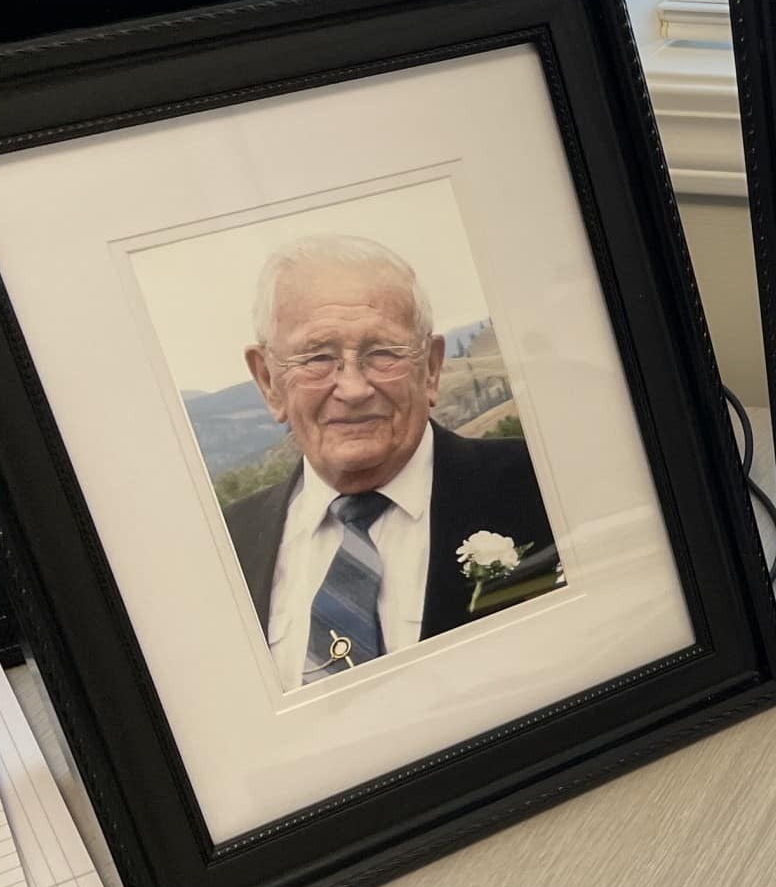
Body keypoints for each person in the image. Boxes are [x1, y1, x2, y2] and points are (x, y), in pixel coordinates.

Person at [223, 232, 555, 688]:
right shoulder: (227, 551)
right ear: (267, 382)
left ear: (432, 369)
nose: (354, 389)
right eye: (317, 357)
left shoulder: (545, 487)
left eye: (383, 353)